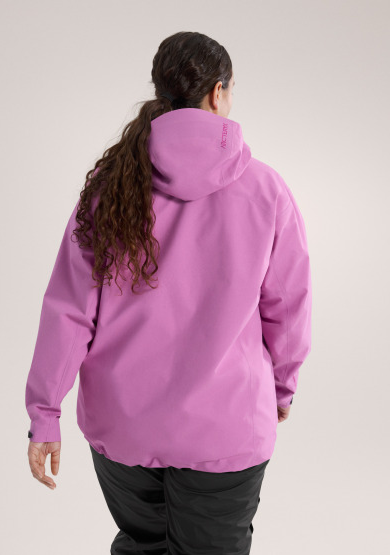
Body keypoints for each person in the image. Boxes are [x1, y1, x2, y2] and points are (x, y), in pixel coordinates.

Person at [25, 31, 312, 554]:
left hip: (123, 426)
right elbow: (288, 309)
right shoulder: (266, 189)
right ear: (218, 92)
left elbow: (69, 311)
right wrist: (281, 389)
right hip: (227, 426)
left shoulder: (111, 186)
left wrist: (45, 414)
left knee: (143, 545)